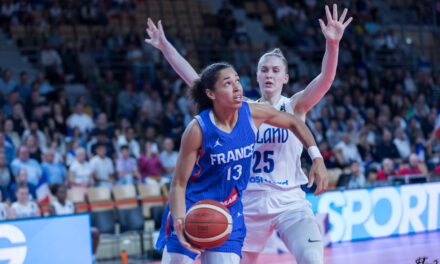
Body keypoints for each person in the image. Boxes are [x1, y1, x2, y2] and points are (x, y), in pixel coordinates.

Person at [145, 3, 349, 263]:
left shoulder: (295, 105)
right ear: (255, 75)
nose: (269, 75)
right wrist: (166, 47)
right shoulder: (243, 110)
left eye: (276, 71)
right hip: (248, 201)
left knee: (312, 258)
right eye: (264, 70)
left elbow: (326, 80)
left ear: (286, 77)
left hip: (289, 200)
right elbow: (196, 81)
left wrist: (332, 44)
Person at [151, 61, 326, 264]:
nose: (237, 87)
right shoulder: (198, 129)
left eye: (237, 80)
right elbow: (179, 184)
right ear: (211, 94)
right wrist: (181, 220)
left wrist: (316, 156)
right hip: (192, 207)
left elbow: (294, 121)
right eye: (228, 83)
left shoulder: (252, 112)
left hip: (229, 211)